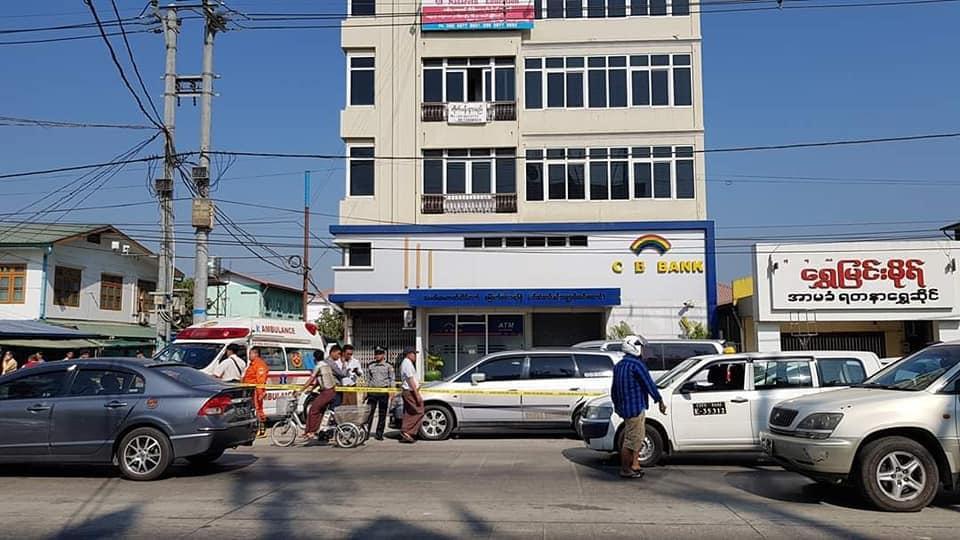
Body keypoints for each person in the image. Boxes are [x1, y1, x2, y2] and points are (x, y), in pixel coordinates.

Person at [611, 335, 666, 479]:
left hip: (625, 408)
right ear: (634, 348)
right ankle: (626, 469)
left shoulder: (619, 366)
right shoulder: (637, 365)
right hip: (635, 408)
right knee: (631, 440)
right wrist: (659, 400)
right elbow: (649, 384)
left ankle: (635, 464)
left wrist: (617, 406)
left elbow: (614, 390)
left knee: (637, 438)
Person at [302, 349, 338, 442]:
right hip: (332, 391)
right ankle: (314, 430)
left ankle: (311, 431)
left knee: (313, 409)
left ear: (314, 358)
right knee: (320, 410)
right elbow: (319, 380)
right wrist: (312, 388)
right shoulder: (326, 365)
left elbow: (311, 379)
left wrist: (300, 390)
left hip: (327, 392)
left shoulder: (318, 366)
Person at [364, 346, 393, 441]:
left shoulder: (388, 366)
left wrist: (391, 391)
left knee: (382, 414)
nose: (377, 355)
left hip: (383, 392)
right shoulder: (371, 365)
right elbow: (368, 379)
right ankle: (366, 432)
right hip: (372, 392)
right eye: (376, 353)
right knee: (369, 413)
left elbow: (391, 379)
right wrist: (366, 392)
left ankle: (379, 433)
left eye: (379, 353)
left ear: (383, 355)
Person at [241, 348, 270, 438]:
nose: (249, 356)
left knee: (258, 410)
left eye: (250, 354)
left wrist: (260, 393)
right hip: (251, 390)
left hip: (256, 391)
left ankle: (261, 430)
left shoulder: (259, 365)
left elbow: (260, 380)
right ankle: (257, 429)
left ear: (256, 354)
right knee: (254, 410)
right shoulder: (252, 364)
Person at [399, 346, 423, 444]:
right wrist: (417, 394)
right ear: (409, 354)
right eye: (414, 354)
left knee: (409, 412)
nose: (415, 356)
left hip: (409, 390)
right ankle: (406, 431)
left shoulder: (407, 363)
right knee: (419, 411)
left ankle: (408, 432)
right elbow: (410, 380)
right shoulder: (407, 364)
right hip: (410, 391)